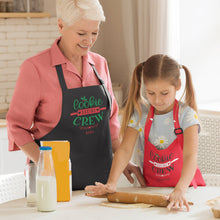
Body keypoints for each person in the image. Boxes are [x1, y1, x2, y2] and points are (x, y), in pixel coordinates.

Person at [6, 0, 145, 190]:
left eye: (94, 33)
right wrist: (45, 164)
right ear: (61, 25)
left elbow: (111, 121)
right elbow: (17, 127)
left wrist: (122, 161)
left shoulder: (100, 64)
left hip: (100, 184)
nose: (89, 40)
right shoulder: (35, 68)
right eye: (81, 33)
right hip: (52, 183)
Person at [85, 54, 206, 210]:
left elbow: (191, 156)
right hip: (151, 191)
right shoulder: (141, 114)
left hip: (186, 191)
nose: (157, 100)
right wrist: (112, 182)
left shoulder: (187, 115)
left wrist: (180, 190)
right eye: (150, 93)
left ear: (177, 85)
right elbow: (125, 149)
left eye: (164, 93)